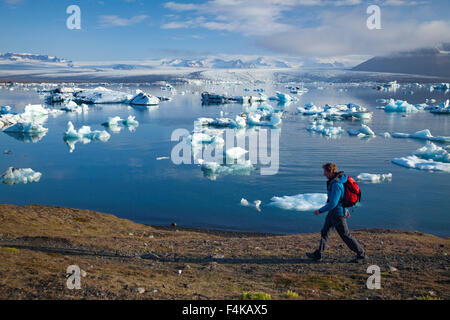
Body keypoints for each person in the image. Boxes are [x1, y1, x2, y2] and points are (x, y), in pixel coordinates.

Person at [306, 162, 365, 263]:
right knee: (324, 232)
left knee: (346, 235)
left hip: (337, 214)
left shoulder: (336, 184)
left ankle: (361, 254)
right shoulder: (334, 182)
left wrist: (320, 211)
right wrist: (345, 209)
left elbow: (334, 203)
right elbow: (340, 199)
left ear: (330, 171)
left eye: (325, 171)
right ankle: (318, 254)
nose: (324, 174)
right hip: (333, 213)